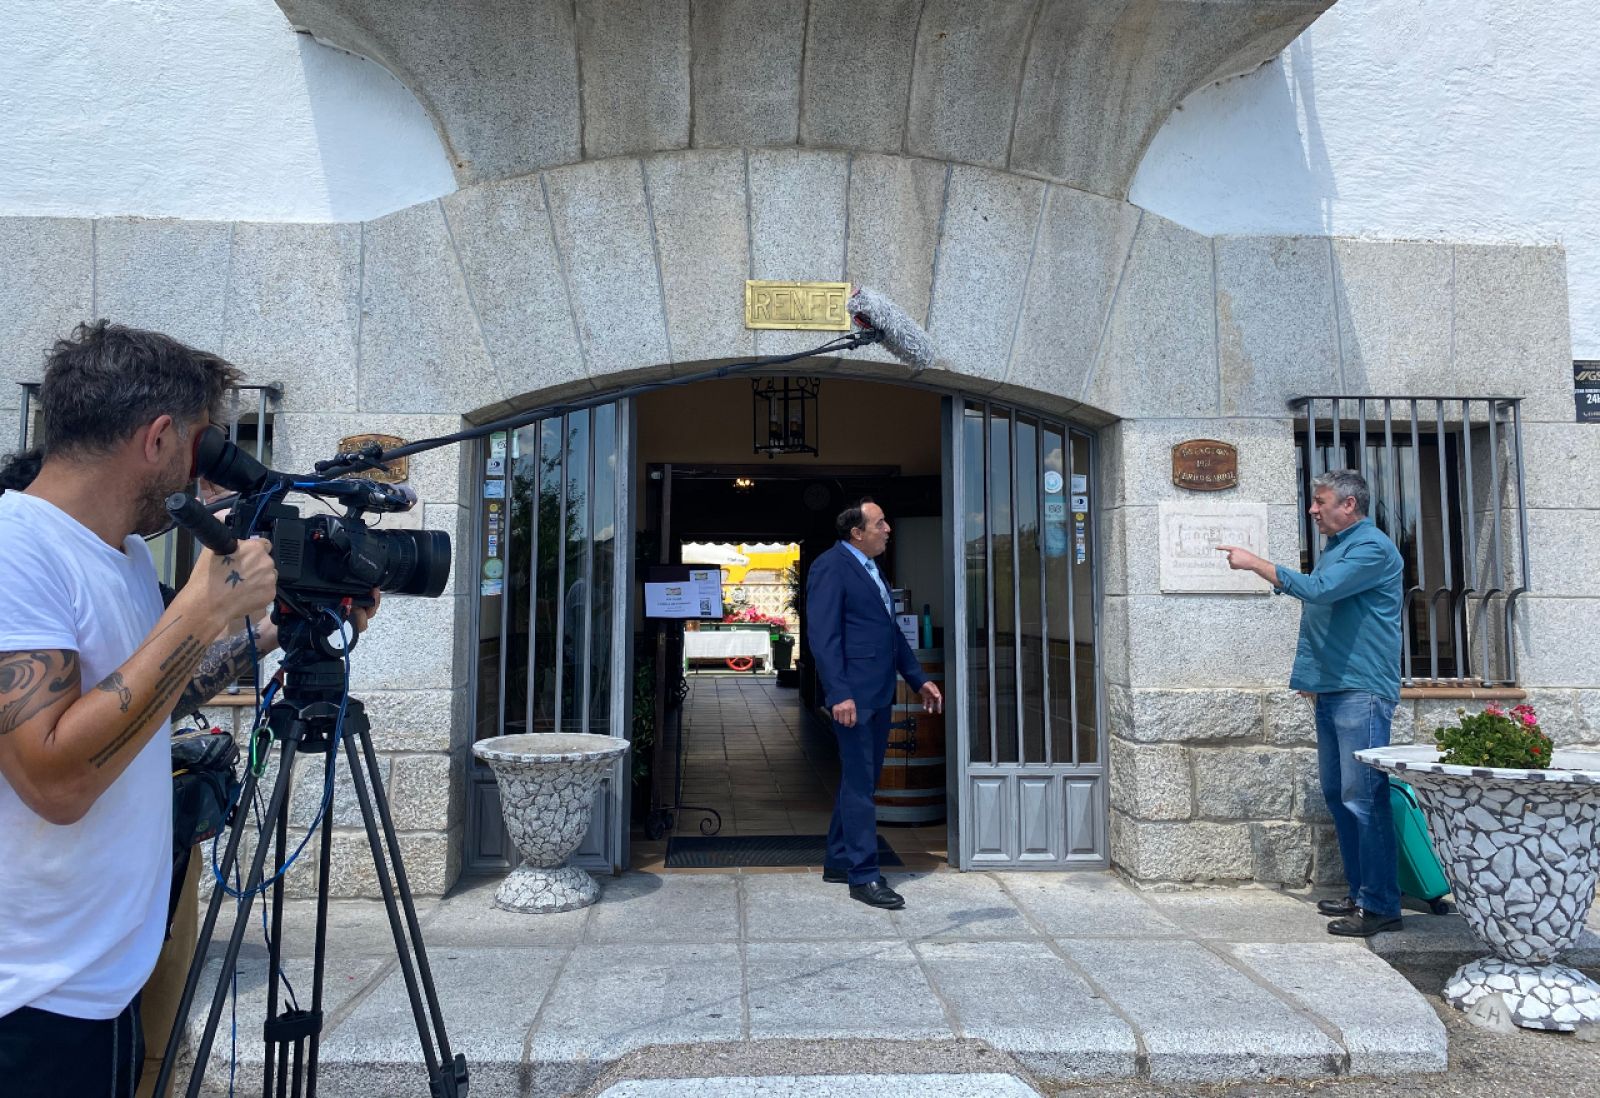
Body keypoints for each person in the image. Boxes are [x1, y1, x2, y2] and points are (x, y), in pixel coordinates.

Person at [0, 321, 361, 1097]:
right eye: (206, 450)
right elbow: (53, 779)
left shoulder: (124, 559)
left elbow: (147, 695)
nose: (204, 484)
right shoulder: (13, 548)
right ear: (159, 438)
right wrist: (198, 612)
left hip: (105, 982)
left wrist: (270, 632)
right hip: (29, 1004)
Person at [1219, 469, 1405, 937]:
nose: (1312, 509)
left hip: (1361, 690)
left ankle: (1382, 904)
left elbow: (1319, 592)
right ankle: (1361, 893)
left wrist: (1257, 564)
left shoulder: (1371, 548)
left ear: (1349, 505)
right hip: (1333, 687)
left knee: (1363, 798)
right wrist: (1314, 678)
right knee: (1339, 796)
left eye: (1321, 502)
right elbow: (1328, 614)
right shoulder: (1339, 548)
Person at [806, 498, 942, 910]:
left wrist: (919, 680)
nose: (887, 529)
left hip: (879, 692)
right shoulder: (831, 567)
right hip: (856, 696)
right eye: (880, 523)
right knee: (863, 785)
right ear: (856, 533)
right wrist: (839, 692)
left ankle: (838, 860)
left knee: (858, 781)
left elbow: (890, 633)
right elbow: (823, 636)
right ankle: (864, 875)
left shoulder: (870, 568)